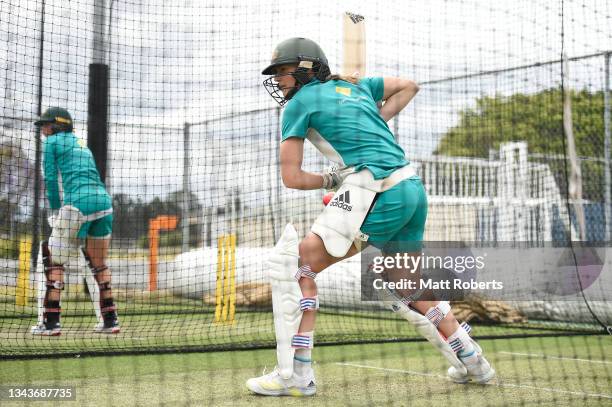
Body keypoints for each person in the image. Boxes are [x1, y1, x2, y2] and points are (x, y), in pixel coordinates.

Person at [247, 38, 495, 396]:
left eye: (283, 72)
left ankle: (295, 375)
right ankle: (474, 360)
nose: (279, 80)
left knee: (296, 265)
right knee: (405, 283)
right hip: (410, 187)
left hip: (377, 190)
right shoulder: (357, 85)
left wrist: (331, 178)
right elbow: (409, 85)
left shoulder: (298, 105)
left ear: (304, 68)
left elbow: (293, 178)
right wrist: (372, 119)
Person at [31, 107, 120, 336]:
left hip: (78, 205)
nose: (42, 129)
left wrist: (55, 209)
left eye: (44, 125)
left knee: (53, 258)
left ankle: (50, 323)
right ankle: (110, 321)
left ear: (56, 125)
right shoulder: (81, 144)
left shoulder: (52, 143)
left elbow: (50, 178)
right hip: (104, 204)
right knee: (98, 263)